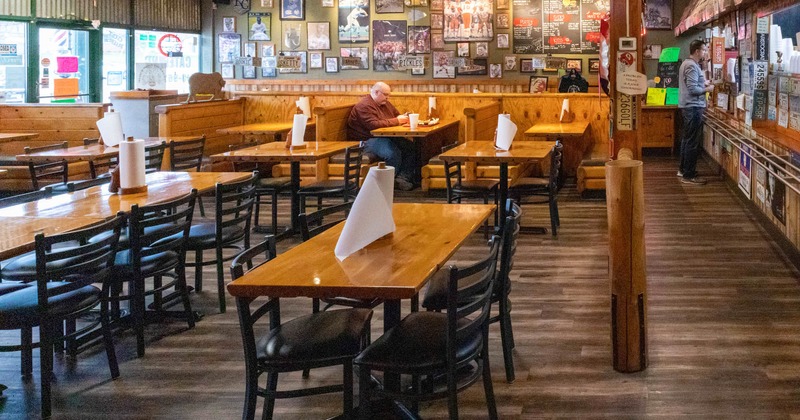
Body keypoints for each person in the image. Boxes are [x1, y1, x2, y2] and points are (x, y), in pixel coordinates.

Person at [347, 82, 415, 191]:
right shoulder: (364, 106)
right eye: (385, 94)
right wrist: (397, 121)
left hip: (383, 136)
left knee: (411, 147)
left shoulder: (384, 103)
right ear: (376, 92)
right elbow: (373, 125)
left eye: (388, 95)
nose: (388, 98)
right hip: (366, 140)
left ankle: (402, 178)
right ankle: (386, 182)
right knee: (392, 153)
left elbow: (396, 115)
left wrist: (402, 118)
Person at [678, 39, 714, 185]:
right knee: (692, 141)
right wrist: (707, 89)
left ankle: (683, 170)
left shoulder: (687, 64)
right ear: (697, 51)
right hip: (692, 107)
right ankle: (689, 175)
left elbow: (691, 84)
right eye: (704, 50)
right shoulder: (692, 66)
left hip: (688, 106)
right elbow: (693, 90)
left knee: (687, 139)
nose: (705, 52)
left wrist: (702, 83)